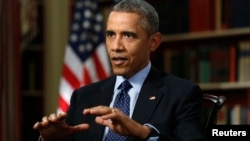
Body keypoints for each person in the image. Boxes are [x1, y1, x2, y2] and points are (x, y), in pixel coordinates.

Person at [33, 0, 207, 141]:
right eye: (111, 35)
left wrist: (143, 133)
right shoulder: (83, 96)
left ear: (153, 42)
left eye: (128, 35)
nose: (116, 46)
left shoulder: (181, 94)